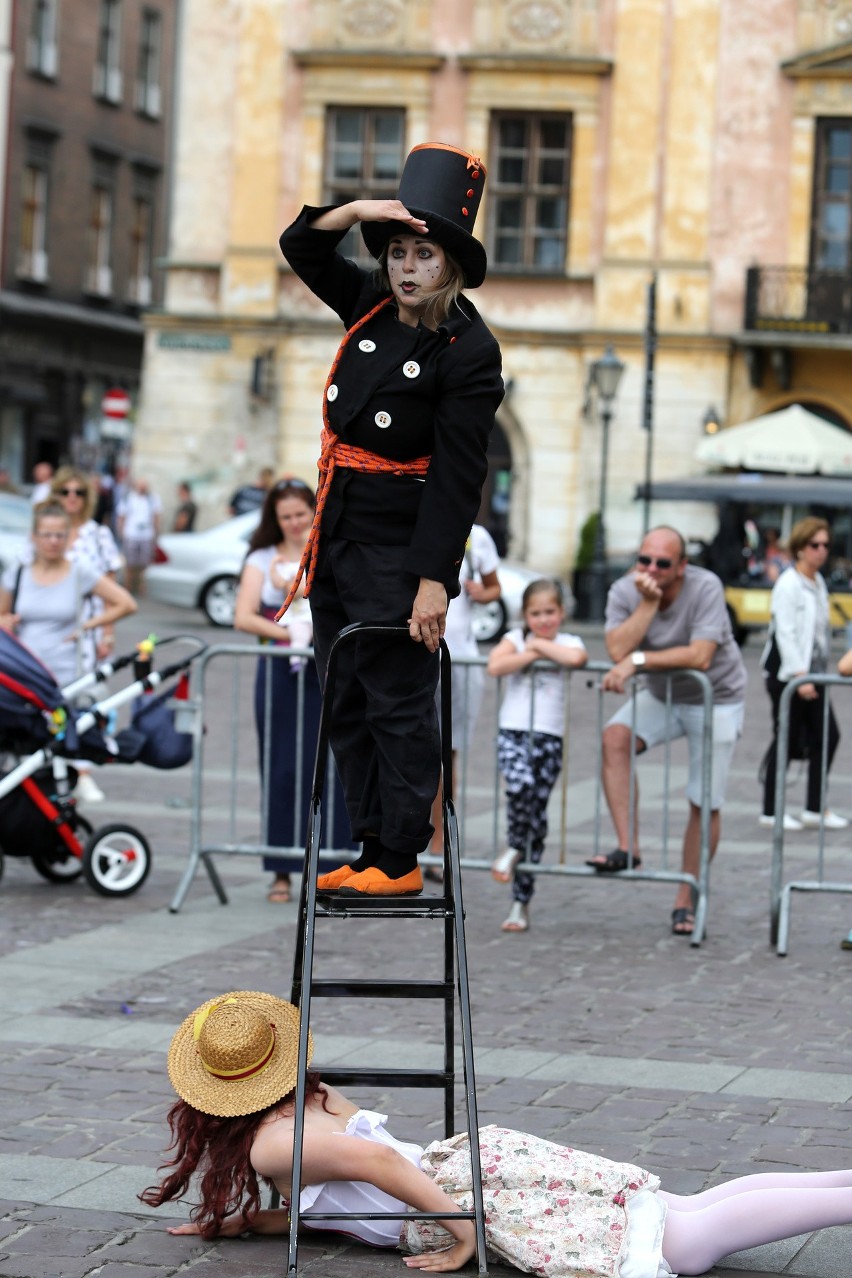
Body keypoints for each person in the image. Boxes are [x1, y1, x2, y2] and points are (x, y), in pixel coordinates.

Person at [143, 989, 852, 1277]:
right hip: (472, 1168)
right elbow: (328, 1206)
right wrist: (237, 1224)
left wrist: (463, 1234)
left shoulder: (271, 1140)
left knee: (686, 1244)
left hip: (465, 1187)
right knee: (683, 1214)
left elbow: (377, 1168)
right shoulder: (304, 1105)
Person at [276, 142, 503, 898]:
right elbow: (301, 245)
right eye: (398, 252)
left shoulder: (468, 351)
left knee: (399, 703)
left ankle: (403, 857)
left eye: (424, 255)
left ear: (452, 267)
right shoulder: (368, 305)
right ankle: (371, 845)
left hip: (401, 552)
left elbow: (459, 478)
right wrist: (360, 211)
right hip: (340, 539)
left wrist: (434, 580)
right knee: (345, 697)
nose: (407, 268)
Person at [586, 527, 747, 938]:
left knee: (703, 799)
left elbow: (701, 655)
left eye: (662, 563)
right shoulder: (626, 590)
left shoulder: (706, 586)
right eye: (644, 560)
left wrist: (638, 660)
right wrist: (648, 604)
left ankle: (686, 895)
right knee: (614, 737)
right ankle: (629, 848)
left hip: (717, 697)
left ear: (681, 566)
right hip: (664, 694)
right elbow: (616, 652)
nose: (651, 569)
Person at [233, 478, 354, 903]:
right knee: (282, 768)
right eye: (286, 516)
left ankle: (333, 864)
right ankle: (281, 870)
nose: (294, 522)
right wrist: (288, 632)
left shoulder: (333, 550)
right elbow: (244, 616)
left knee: (334, 764)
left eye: (301, 513)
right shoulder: (261, 558)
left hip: (327, 667)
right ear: (275, 520)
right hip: (281, 673)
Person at [487, 580, 587, 933]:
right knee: (519, 786)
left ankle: (520, 901)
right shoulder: (516, 638)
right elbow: (496, 665)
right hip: (513, 732)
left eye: (550, 612)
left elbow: (577, 659)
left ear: (561, 613)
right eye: (536, 614)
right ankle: (513, 849)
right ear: (524, 615)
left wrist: (540, 647)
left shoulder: (568, 642)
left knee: (536, 823)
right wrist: (533, 651)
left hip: (549, 737)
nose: (543, 620)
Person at [759, 516, 846, 833]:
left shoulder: (818, 582)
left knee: (828, 737)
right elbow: (785, 632)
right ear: (799, 548)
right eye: (814, 545)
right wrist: (799, 676)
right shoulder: (788, 584)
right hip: (788, 675)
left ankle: (813, 807)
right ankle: (771, 810)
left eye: (825, 545)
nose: (821, 551)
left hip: (814, 674)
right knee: (786, 739)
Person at [425, 524, 502, 880]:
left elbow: (493, 588)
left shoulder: (476, 536)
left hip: (458, 655)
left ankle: (439, 843)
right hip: (416, 650)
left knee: (447, 752)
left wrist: (481, 593)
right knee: (411, 747)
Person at [48, 466, 126, 802]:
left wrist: (107, 632)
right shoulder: (49, 532)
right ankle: (53, 765)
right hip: (50, 626)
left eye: (78, 492)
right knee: (50, 696)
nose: (71, 499)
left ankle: (83, 769)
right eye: (65, 492)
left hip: (88, 627)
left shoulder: (98, 535)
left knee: (88, 696)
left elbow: (112, 588)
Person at [0, 501, 136, 690]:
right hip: (23, 671)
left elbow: (127, 604)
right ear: (33, 537)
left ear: (68, 538)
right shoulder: (17, 573)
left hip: (65, 675)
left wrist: (88, 626)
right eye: (47, 535)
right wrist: (5, 622)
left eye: (59, 535)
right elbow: (2, 614)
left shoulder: (79, 572)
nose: (53, 541)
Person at [117, 477, 162, 595]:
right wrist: (121, 532)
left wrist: (156, 533)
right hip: (131, 534)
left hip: (146, 535)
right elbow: (122, 517)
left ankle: (141, 586)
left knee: (144, 563)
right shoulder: (128, 498)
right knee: (130, 563)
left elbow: (156, 516)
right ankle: (128, 585)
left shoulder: (152, 499)